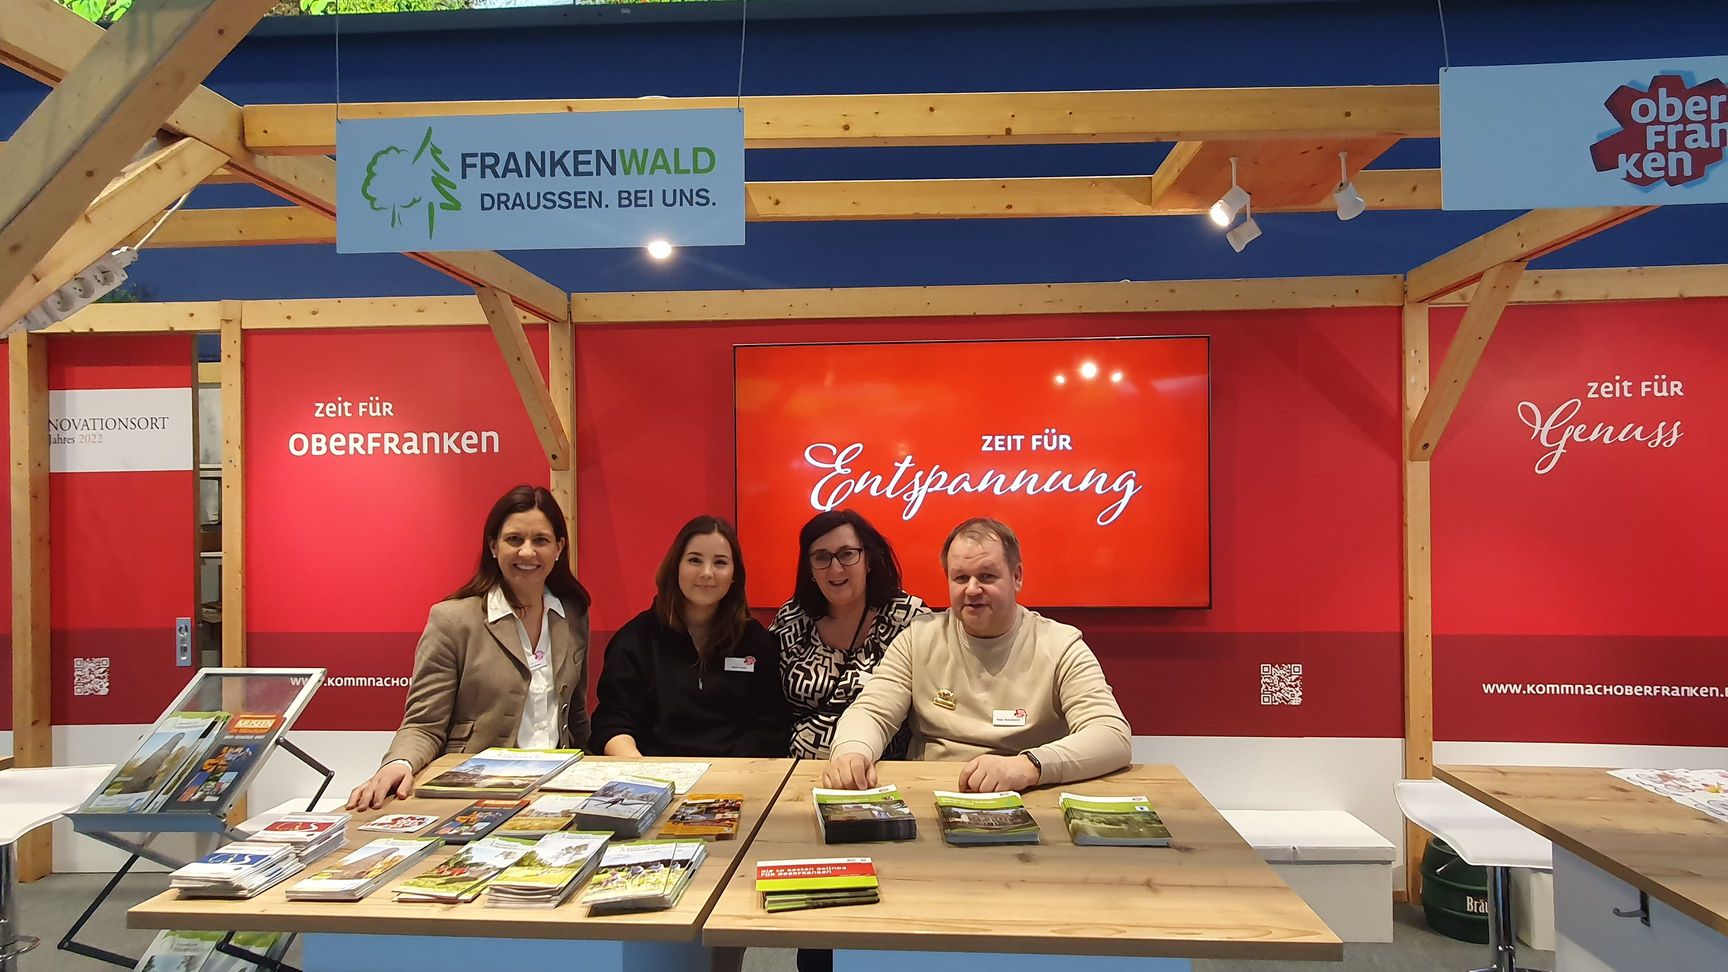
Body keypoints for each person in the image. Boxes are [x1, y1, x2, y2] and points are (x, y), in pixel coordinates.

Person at [821, 516, 1132, 793]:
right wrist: (852, 751)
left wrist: (1028, 766)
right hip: (929, 793)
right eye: (960, 578)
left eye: (986, 576)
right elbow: (872, 712)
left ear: (1016, 576)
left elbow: (1111, 735)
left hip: (1030, 794)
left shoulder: (1061, 645)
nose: (971, 589)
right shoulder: (918, 639)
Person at [345, 485, 591, 810]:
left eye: (540, 540)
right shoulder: (453, 620)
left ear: (558, 547)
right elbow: (423, 724)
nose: (527, 552)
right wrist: (398, 763)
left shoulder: (572, 614)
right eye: (514, 539)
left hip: (557, 793)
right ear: (493, 546)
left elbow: (576, 718)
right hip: (473, 795)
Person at [588, 515, 791, 758]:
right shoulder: (634, 640)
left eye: (720, 562)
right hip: (653, 772)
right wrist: (639, 769)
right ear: (675, 567)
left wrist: (730, 773)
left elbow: (769, 726)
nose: (707, 573)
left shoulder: (755, 641)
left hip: (738, 774)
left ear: (734, 574)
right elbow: (613, 721)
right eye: (695, 560)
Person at [772, 509, 929, 758]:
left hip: (881, 769)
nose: (835, 569)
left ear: (868, 561)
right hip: (795, 768)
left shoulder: (908, 618)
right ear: (810, 568)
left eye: (847, 554)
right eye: (822, 557)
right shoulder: (792, 618)